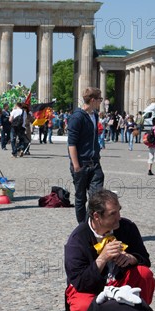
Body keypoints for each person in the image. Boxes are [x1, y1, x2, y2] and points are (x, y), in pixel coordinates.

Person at [63, 189, 155, 311]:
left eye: (119, 211)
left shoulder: (127, 227)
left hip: (119, 283)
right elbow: (80, 282)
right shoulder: (78, 239)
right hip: (91, 288)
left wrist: (131, 258)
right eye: (113, 214)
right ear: (96, 216)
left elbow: (145, 259)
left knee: (144, 274)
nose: (119, 217)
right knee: (82, 307)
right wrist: (102, 258)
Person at [67, 87, 104, 225]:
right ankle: (83, 228)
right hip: (81, 163)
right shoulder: (77, 117)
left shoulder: (94, 115)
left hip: (94, 162)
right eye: (99, 99)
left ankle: (89, 224)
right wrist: (76, 165)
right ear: (93, 100)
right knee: (80, 197)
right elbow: (72, 143)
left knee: (97, 197)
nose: (101, 102)